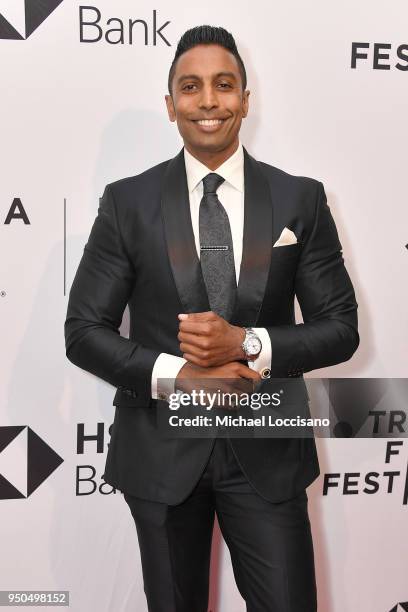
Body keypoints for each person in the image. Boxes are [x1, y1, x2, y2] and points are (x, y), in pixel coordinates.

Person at [65, 25, 359, 612]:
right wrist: (180, 377)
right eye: (191, 87)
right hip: (160, 453)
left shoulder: (300, 198)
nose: (208, 101)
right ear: (170, 103)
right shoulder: (127, 203)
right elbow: (84, 331)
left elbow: (340, 328)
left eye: (223, 85)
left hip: (268, 452)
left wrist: (247, 343)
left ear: (245, 100)